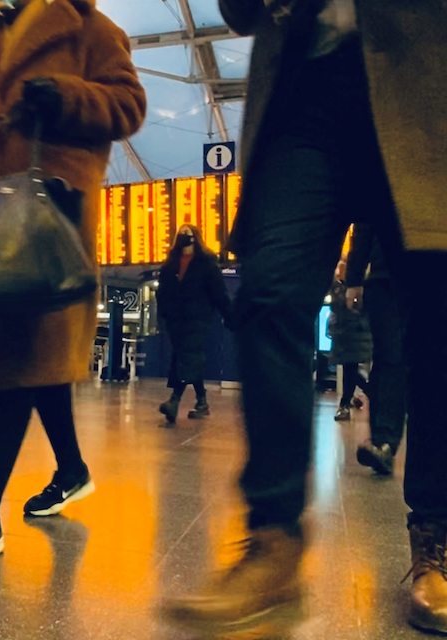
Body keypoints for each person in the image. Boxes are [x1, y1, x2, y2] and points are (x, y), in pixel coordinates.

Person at [164, 0, 447, 636]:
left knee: (436, 321)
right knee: (266, 296)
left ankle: (437, 537)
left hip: (423, 80)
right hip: (304, 86)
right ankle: (273, 543)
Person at [0, 0, 146, 569]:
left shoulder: (94, 30)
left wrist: (69, 96)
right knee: (31, 360)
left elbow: (129, 105)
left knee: (17, 362)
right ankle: (70, 470)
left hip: (49, 217)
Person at [155, 225, 233, 424]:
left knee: (187, 355)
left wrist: (229, 314)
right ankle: (202, 402)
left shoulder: (206, 262)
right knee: (187, 357)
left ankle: (174, 401)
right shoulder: (170, 263)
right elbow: (162, 291)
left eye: (187, 235)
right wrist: (164, 313)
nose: (184, 238)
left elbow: (218, 291)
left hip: (198, 318)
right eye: (181, 234)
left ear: (195, 237)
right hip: (176, 319)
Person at [346, 223, 406, 476]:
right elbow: (365, 222)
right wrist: (354, 277)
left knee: (390, 358)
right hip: (389, 277)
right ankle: (384, 442)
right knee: (390, 357)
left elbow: (364, 224)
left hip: (394, 275)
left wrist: (355, 278)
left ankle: (384, 442)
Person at [327, 258, 372, 421]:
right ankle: (370, 394)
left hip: (353, 334)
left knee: (350, 368)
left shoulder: (343, 288)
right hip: (347, 334)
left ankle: (346, 403)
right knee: (350, 369)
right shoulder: (342, 287)